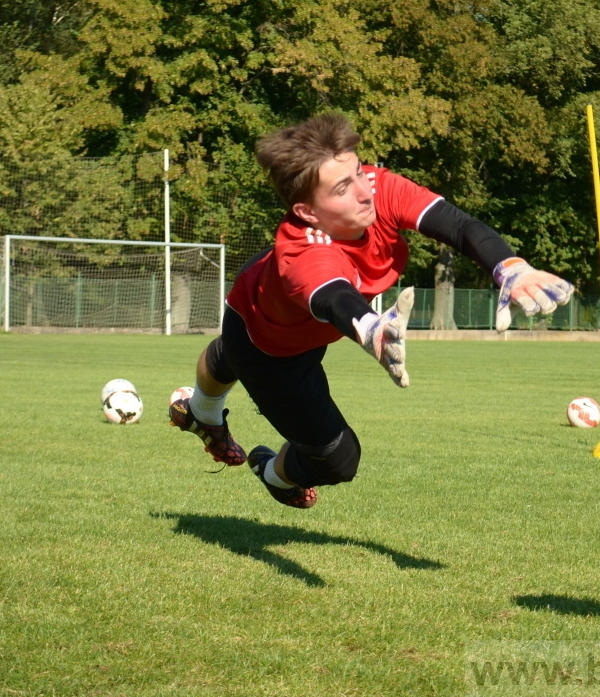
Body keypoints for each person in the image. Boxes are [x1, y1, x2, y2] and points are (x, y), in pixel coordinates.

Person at [167, 112, 573, 507]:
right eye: (342, 188)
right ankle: (269, 470)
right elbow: (334, 296)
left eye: (359, 172)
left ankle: (221, 427)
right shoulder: (304, 255)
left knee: (230, 349)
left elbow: (459, 225)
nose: (363, 191)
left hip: (268, 303)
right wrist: (370, 328)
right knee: (339, 460)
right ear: (308, 212)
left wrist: (510, 267)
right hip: (271, 351)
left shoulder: (377, 189)